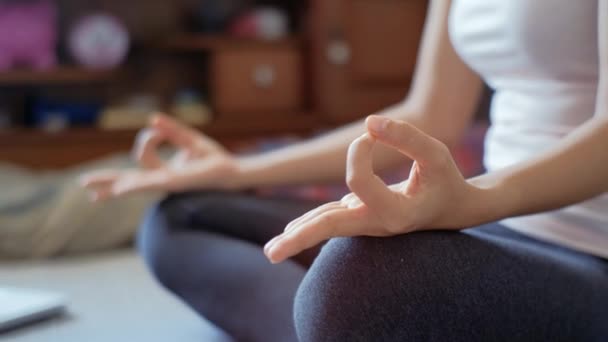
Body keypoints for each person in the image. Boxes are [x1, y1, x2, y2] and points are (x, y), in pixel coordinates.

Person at [81, 0, 608, 341]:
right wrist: (237, 168)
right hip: (490, 222)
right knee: (182, 218)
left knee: (349, 281)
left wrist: (471, 201)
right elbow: (429, 115)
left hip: (587, 253)